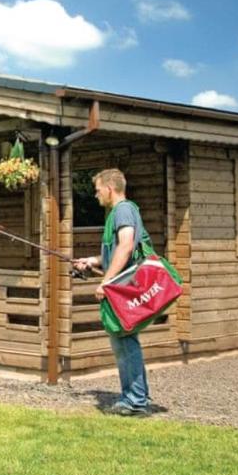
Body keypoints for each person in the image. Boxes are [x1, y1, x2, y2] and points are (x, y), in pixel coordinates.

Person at [72, 168, 150, 417]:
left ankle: (135, 400)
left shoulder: (124, 210)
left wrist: (106, 282)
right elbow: (116, 251)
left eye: (97, 191)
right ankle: (133, 397)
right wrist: (93, 260)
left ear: (109, 188)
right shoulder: (118, 213)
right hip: (120, 286)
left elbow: (126, 246)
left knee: (125, 342)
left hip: (122, 289)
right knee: (123, 342)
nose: (96, 196)